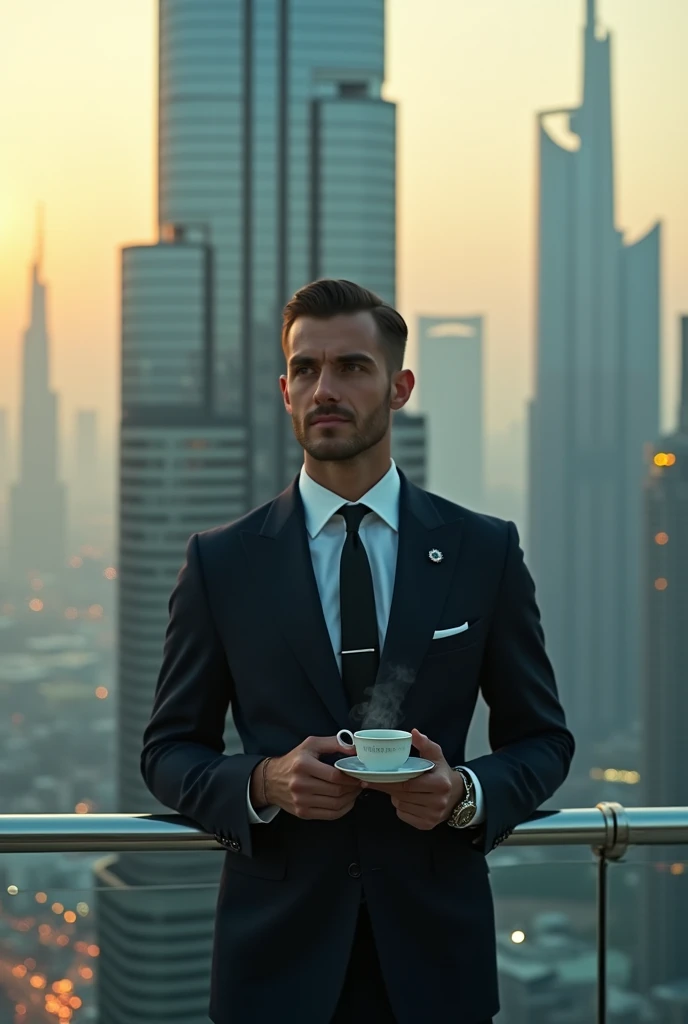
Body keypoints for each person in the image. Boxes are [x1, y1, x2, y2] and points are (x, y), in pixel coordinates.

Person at [140, 279, 574, 1024]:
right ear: (283, 390)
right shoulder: (222, 562)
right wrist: (266, 782)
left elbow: (543, 740)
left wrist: (464, 794)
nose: (324, 389)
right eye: (305, 370)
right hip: (273, 969)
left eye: (352, 367)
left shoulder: (482, 550)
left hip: (437, 964)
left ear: (399, 386)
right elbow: (168, 751)